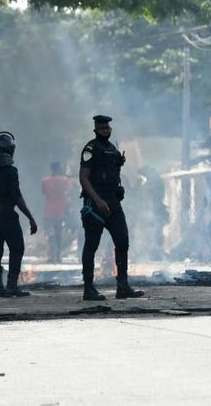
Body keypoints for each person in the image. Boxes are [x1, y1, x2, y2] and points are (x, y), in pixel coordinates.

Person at [79, 115, 143, 301]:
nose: (105, 130)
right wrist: (98, 201)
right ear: (96, 129)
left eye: (107, 127)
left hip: (113, 203)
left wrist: (119, 189)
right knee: (91, 245)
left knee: (122, 242)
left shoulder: (112, 148)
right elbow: (83, 178)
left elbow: (113, 174)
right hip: (95, 204)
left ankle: (122, 286)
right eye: (102, 127)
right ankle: (88, 289)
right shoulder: (90, 148)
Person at [0, 132, 38, 297]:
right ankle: (12, 286)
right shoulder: (11, 172)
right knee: (17, 248)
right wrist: (31, 218)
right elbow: (17, 198)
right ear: (11, 149)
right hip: (7, 218)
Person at [42, 162, 73, 263]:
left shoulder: (45, 181)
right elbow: (69, 192)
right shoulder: (66, 181)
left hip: (49, 212)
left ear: (51, 169)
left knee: (51, 235)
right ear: (60, 169)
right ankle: (58, 256)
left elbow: (44, 192)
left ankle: (52, 256)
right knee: (58, 234)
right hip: (61, 211)